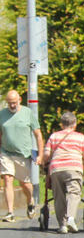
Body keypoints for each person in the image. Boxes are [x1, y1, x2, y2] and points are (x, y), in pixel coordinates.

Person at [41, 112, 84, 233]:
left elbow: (47, 154)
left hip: (56, 168)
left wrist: (44, 163)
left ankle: (62, 225)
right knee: (74, 192)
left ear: (61, 124)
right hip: (74, 167)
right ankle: (71, 218)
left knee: (58, 196)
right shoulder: (80, 137)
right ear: (74, 124)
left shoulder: (54, 136)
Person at [0, 90, 44, 223]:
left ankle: (30, 201)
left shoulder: (27, 113)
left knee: (25, 184)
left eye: (14, 102)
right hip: (6, 152)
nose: (12, 105)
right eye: (9, 103)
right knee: (7, 179)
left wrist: (40, 155)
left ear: (19, 99)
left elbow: (38, 135)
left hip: (23, 154)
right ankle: (10, 212)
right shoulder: (2, 114)